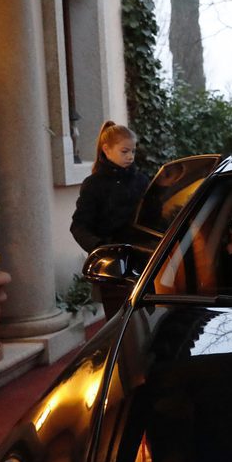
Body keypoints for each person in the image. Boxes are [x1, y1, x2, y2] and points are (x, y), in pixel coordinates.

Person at [70, 121, 150, 317]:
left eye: (133, 151)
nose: (131, 156)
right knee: (118, 324)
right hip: (113, 269)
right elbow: (79, 226)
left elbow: (152, 216)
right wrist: (102, 249)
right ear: (106, 149)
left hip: (144, 261)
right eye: (125, 151)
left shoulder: (141, 180)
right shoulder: (94, 185)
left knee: (145, 322)